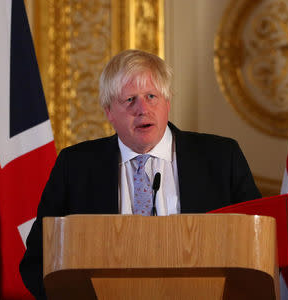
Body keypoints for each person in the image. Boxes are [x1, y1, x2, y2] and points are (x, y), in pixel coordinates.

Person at [19, 49, 261, 299]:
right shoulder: (75, 166)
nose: (143, 109)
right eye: (130, 100)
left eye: (151, 96)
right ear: (109, 112)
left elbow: (255, 248)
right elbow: (39, 260)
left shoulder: (221, 158)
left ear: (167, 103)